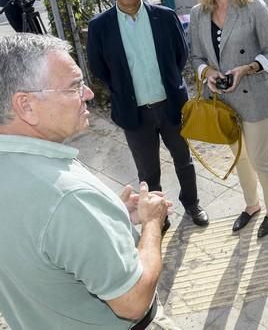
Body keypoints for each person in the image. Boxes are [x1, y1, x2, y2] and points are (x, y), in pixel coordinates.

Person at [0, 34, 170, 329]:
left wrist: (108, 215)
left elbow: (42, 242)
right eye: (74, 86)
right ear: (26, 105)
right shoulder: (67, 197)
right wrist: (152, 222)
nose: (89, 93)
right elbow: (133, 301)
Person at [87, 0, 209, 232]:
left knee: (184, 161)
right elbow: (99, 68)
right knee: (148, 172)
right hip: (134, 113)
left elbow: (180, 56)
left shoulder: (164, 17)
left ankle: (192, 204)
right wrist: (126, 89)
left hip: (171, 107)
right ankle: (158, 217)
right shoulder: (100, 26)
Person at [188, 0, 268, 238]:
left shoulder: (253, 7)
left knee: (259, 158)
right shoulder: (198, 13)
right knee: (239, 158)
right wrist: (209, 73)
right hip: (223, 101)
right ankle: (251, 205)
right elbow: (196, 57)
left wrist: (245, 69)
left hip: (254, 95)